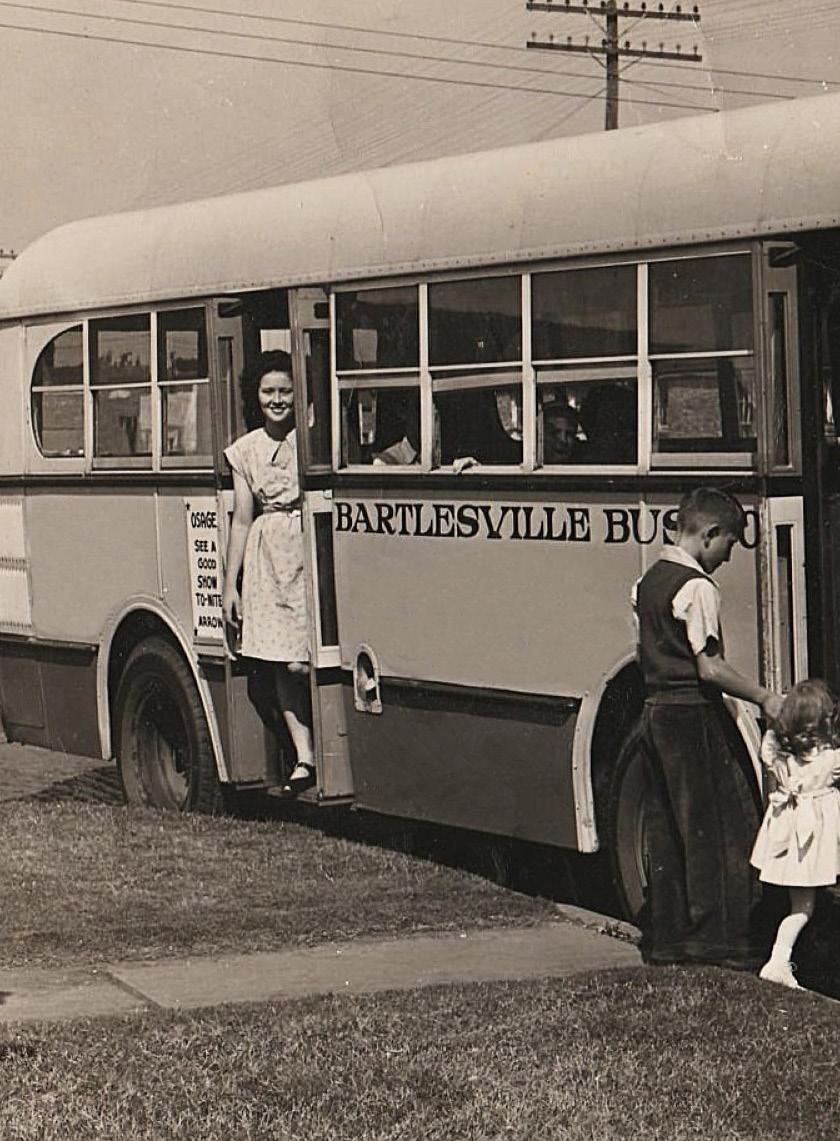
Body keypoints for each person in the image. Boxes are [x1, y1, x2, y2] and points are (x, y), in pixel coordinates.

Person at [632, 487, 784, 968]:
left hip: (654, 711)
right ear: (709, 533)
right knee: (719, 825)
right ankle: (721, 940)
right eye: (729, 544)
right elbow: (710, 668)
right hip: (692, 715)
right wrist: (765, 697)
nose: (728, 556)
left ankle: (669, 939)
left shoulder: (648, 582)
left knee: (668, 828)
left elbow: (643, 652)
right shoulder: (697, 588)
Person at [222, 350, 315, 796]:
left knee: (304, 658)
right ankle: (305, 757)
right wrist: (230, 585)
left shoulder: (310, 440)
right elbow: (242, 519)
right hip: (267, 556)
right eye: (268, 391)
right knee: (281, 661)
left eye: (285, 391)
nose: (277, 400)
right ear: (255, 395)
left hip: (307, 547)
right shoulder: (246, 451)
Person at [750, 679, 840, 989]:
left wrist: (779, 726)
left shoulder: (781, 760)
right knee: (803, 908)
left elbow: (768, 746)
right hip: (810, 845)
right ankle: (778, 961)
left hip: (792, 842)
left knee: (800, 904)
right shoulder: (829, 761)